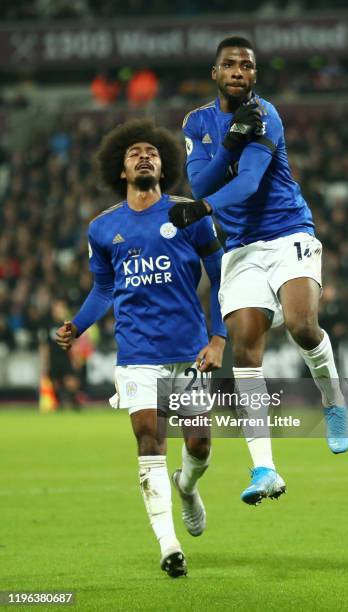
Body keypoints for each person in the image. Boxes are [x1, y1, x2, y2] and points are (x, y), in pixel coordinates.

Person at [169, 36, 348, 507]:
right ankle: (264, 467)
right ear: (215, 73)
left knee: (301, 325)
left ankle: (333, 401)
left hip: (288, 229)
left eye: (246, 66)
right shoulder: (197, 122)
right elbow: (200, 179)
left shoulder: (265, 114)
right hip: (242, 248)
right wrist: (228, 145)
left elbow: (248, 184)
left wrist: (207, 203)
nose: (237, 72)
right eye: (229, 65)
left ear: (254, 75)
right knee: (245, 353)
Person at [55, 119, 226, 577]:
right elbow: (104, 290)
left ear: (163, 163)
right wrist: (79, 324)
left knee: (201, 445)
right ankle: (169, 546)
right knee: (149, 440)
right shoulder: (102, 228)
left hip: (189, 351)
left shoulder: (190, 214)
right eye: (134, 153)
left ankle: (187, 488)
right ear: (122, 169)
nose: (144, 156)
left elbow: (221, 278)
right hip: (137, 356)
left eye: (151, 150)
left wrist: (218, 337)